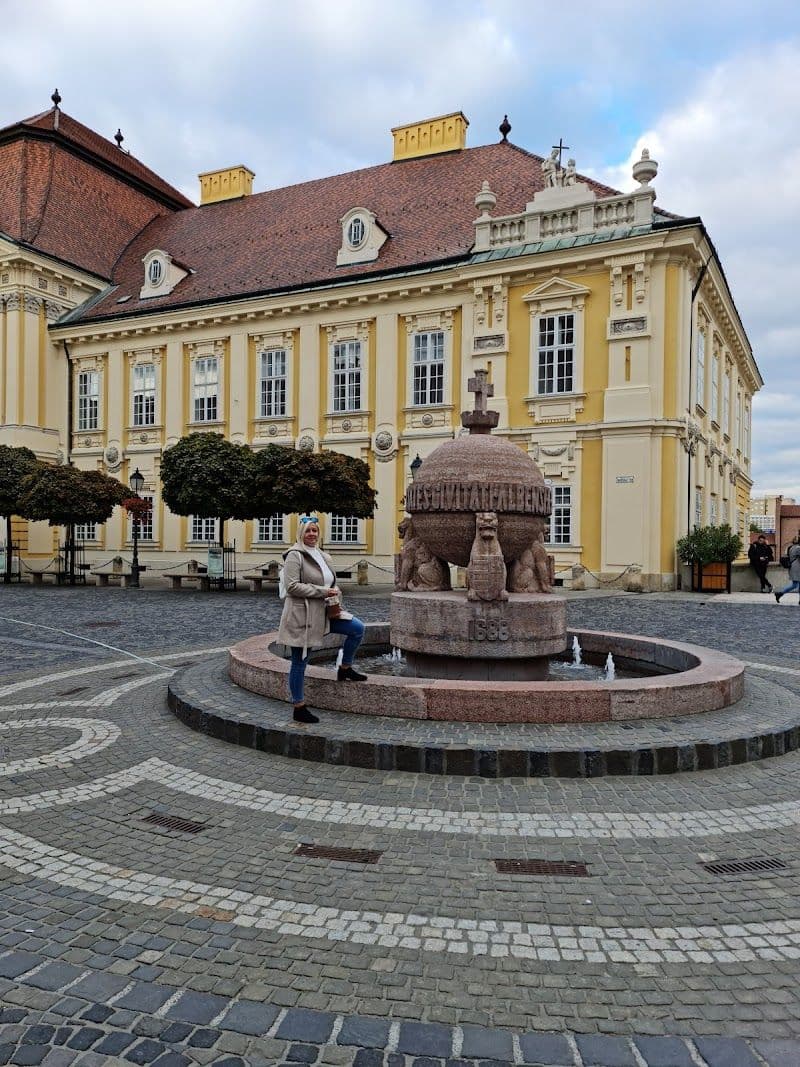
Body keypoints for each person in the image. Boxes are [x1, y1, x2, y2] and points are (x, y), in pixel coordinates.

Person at [277, 514, 366, 723]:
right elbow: (291, 586)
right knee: (300, 661)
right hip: (303, 614)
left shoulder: (323, 556)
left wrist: (335, 594)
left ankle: (345, 668)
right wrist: (323, 592)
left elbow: (331, 582)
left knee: (357, 628)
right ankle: (298, 706)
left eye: (314, 530)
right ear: (301, 532)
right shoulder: (294, 555)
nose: (312, 534)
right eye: (308, 530)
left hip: (326, 612)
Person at [775, 535, 800, 604]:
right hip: (797, 568)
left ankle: (780, 594)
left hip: (794, 567)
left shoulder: (791, 547)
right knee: (795, 585)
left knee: (795, 584)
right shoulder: (798, 548)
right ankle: (780, 593)